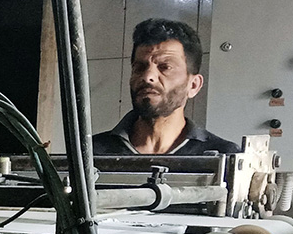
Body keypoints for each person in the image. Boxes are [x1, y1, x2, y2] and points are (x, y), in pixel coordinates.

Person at [92, 18, 241, 156]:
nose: (147, 76)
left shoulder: (223, 155)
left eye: (165, 67)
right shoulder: (91, 152)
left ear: (194, 85)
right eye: (140, 67)